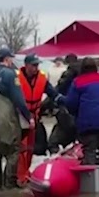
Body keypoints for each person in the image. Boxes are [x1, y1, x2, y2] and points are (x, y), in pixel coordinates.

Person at [0, 48, 33, 190]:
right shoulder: (10, 75)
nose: (12, 61)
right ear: (6, 59)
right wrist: (28, 117)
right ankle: (9, 186)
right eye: (11, 58)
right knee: (13, 151)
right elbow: (19, 100)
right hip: (7, 120)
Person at [16, 53, 61, 185]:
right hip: (19, 117)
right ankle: (19, 175)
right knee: (21, 148)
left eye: (37, 65)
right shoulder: (17, 78)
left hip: (34, 117)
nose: (36, 68)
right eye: (33, 65)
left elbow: (52, 93)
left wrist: (62, 100)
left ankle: (25, 171)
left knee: (30, 147)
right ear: (26, 65)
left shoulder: (41, 78)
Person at [64, 57, 99, 165]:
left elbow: (71, 103)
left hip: (88, 123)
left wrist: (76, 114)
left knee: (89, 152)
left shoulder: (78, 82)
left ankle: (90, 178)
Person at [48, 53, 80, 154]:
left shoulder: (68, 73)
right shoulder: (87, 73)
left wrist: (47, 104)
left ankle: (57, 160)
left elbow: (59, 88)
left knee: (54, 141)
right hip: (83, 112)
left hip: (67, 109)